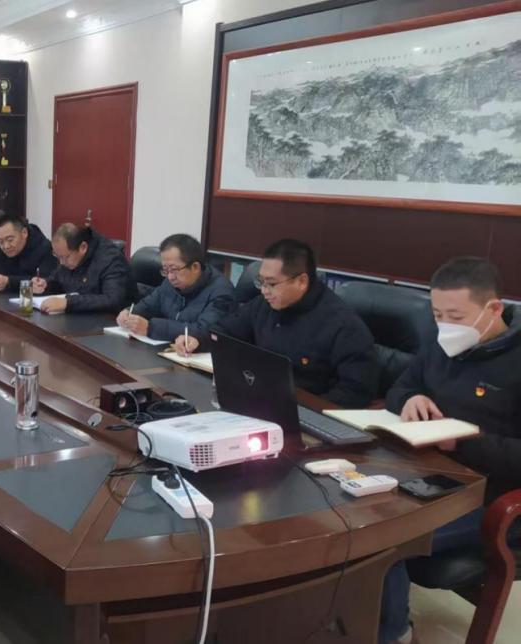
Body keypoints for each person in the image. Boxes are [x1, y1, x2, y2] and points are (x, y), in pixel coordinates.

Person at [379, 257, 521, 644]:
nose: (445, 326)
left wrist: (463, 440)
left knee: (380, 541)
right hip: (426, 471)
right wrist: (410, 398)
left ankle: (395, 634)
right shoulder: (442, 344)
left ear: (494, 308)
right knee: (349, 514)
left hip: (488, 494)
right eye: (437, 314)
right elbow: (399, 388)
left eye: (455, 316)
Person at [177, 239, 377, 407]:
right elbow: (225, 331)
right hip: (259, 396)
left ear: (302, 281)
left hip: (305, 412)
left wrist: (305, 411)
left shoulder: (342, 325)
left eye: (271, 284)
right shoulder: (264, 304)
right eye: (261, 282)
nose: (264, 291)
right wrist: (198, 339)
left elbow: (355, 392)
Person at [116, 234, 235, 341]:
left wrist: (151, 328)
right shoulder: (170, 282)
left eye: (174, 269)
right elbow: (148, 306)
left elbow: (206, 331)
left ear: (195, 267)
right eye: (165, 270)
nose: (170, 277)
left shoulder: (222, 292)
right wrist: (129, 313)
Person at [31, 224, 137, 314]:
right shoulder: (69, 256)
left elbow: (112, 300)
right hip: (82, 318)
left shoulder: (110, 259)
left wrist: (68, 303)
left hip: (112, 321)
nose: (62, 262)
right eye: (57, 256)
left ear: (83, 247)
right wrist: (45, 285)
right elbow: (59, 280)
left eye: (65, 257)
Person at [0, 213, 57, 293]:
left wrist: (9, 282)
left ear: (24, 233)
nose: (6, 246)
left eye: (10, 240)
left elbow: (47, 283)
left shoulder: (44, 248)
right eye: (1, 241)